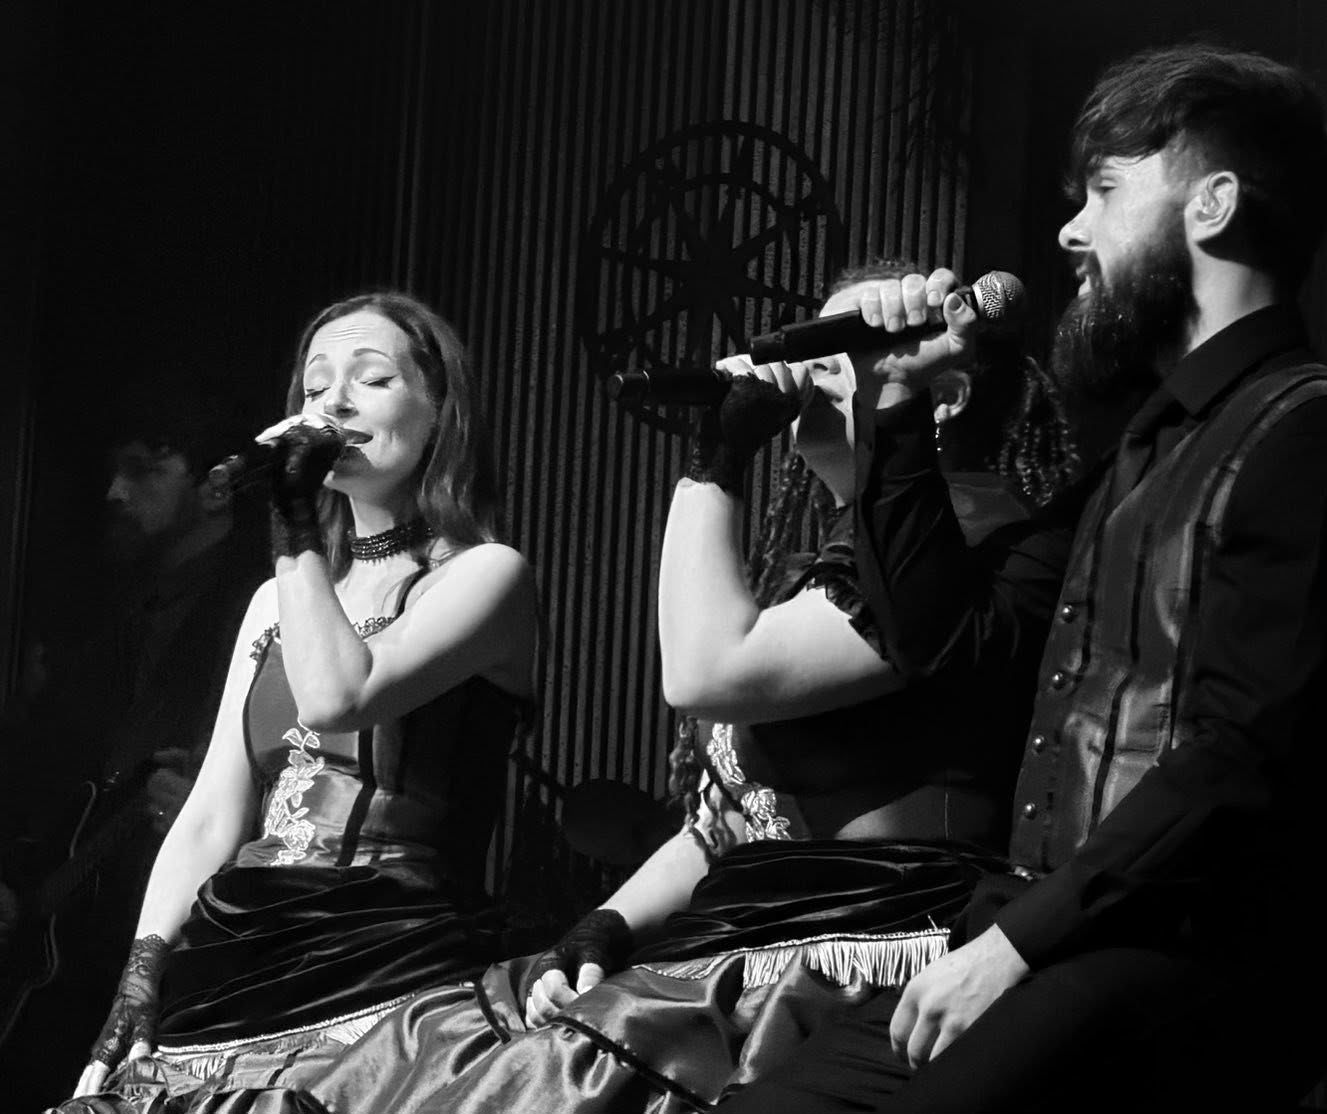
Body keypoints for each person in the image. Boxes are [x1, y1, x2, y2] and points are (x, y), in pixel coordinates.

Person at [718, 44, 1327, 1113]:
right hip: (1051, 936)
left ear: (1211, 205)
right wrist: (895, 404)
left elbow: (1240, 765)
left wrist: (1014, 945)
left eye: (1103, 190)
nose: (1070, 230)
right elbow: (951, 647)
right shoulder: (1141, 456)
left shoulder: (1316, 449)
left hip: (1191, 966)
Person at [309, 263, 1081, 1113]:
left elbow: (704, 670)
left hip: (860, 947)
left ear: (944, 393)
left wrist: (717, 459)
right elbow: (729, 817)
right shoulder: (825, 561)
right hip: (753, 935)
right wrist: (606, 925)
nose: (799, 375)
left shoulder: (966, 536)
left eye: (834, 356)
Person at [57, 291, 539, 1113]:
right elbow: (214, 810)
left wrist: (291, 520)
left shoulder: (487, 576)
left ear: (440, 410)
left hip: (392, 968)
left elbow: (338, 694)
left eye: (372, 379)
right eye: (316, 388)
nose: (335, 404)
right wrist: (143, 969)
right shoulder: (273, 602)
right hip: (236, 957)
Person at [0, 409, 272, 1112]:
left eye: (144, 470)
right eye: (114, 470)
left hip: (184, 976)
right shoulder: (99, 613)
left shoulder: (262, 611)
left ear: (217, 485)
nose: (115, 493)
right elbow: (0, 767)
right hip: (60, 969)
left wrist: (229, 808)